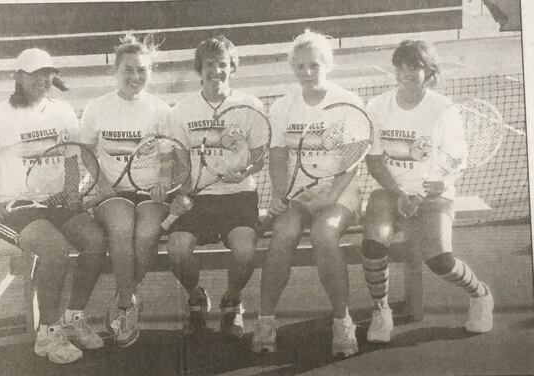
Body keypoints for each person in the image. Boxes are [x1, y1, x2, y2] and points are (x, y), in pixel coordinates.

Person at [0, 48, 106, 364]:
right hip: (15, 207)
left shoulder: (63, 111)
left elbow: (72, 156)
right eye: (34, 73)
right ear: (19, 77)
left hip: (57, 203)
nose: (42, 79)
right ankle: (48, 333)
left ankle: (74, 318)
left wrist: (71, 190)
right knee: (54, 249)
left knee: (96, 241)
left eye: (47, 73)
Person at [361, 39, 494, 344]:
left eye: (414, 66)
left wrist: (437, 183)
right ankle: (381, 311)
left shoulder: (443, 109)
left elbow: (455, 158)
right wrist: (398, 193)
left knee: (439, 260)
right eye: (401, 66)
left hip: (436, 194)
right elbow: (374, 160)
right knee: (373, 245)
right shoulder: (378, 106)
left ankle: (480, 294)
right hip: (388, 191)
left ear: (429, 71)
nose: (406, 72)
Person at [250, 29, 363, 358]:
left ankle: (343, 321)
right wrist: (280, 192)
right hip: (298, 192)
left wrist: (330, 196)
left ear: (326, 64)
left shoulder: (347, 102)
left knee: (324, 235)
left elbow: (353, 160)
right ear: (293, 68)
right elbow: (277, 155)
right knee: (282, 234)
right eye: (300, 66)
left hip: (339, 191)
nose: (307, 72)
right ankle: (266, 320)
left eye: (313, 65)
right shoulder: (285, 105)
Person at [166, 35, 265, 338]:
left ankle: (232, 300)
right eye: (209, 65)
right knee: (177, 250)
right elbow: (179, 161)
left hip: (239, 196)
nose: (216, 71)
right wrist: (180, 193)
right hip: (198, 198)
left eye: (222, 64)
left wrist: (244, 171)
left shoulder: (250, 105)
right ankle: (196, 296)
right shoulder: (181, 110)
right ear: (200, 69)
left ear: (231, 67)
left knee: (245, 251)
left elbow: (259, 158)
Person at [78, 34, 172, 347]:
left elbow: (170, 153)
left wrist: (164, 180)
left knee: (146, 234)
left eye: (142, 70)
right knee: (121, 227)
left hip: (149, 193)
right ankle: (125, 308)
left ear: (150, 72)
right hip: (112, 192)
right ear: (116, 71)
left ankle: (124, 296)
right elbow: (86, 150)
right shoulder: (97, 108)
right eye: (128, 70)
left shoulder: (160, 110)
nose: (135, 77)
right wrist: (101, 183)